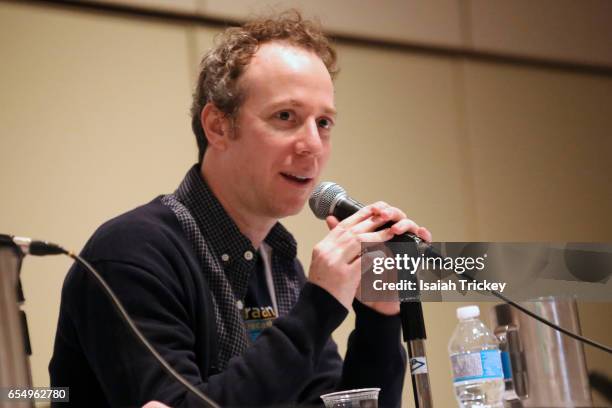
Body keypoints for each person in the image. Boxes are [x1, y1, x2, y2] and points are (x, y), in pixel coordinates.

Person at [49, 11, 431, 407]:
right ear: (217, 126)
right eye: (286, 117)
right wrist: (318, 307)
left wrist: (378, 316)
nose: (313, 145)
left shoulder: (278, 260)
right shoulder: (130, 254)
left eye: (324, 122)